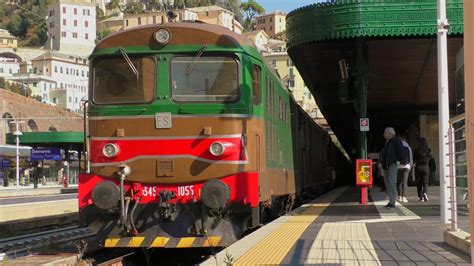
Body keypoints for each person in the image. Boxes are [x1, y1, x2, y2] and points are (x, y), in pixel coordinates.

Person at [380, 127, 404, 208]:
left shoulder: (396, 141)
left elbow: (401, 152)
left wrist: (397, 161)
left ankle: (393, 202)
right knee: (388, 184)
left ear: (390, 133)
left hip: (392, 164)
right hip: (386, 166)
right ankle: (391, 201)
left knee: (392, 183)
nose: (384, 135)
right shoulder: (388, 142)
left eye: (385, 133)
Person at [397, 135, 413, 203]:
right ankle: (404, 197)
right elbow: (411, 158)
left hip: (399, 166)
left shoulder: (397, 146)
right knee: (404, 182)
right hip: (407, 166)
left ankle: (399, 196)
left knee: (399, 182)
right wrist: (410, 166)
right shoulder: (408, 147)